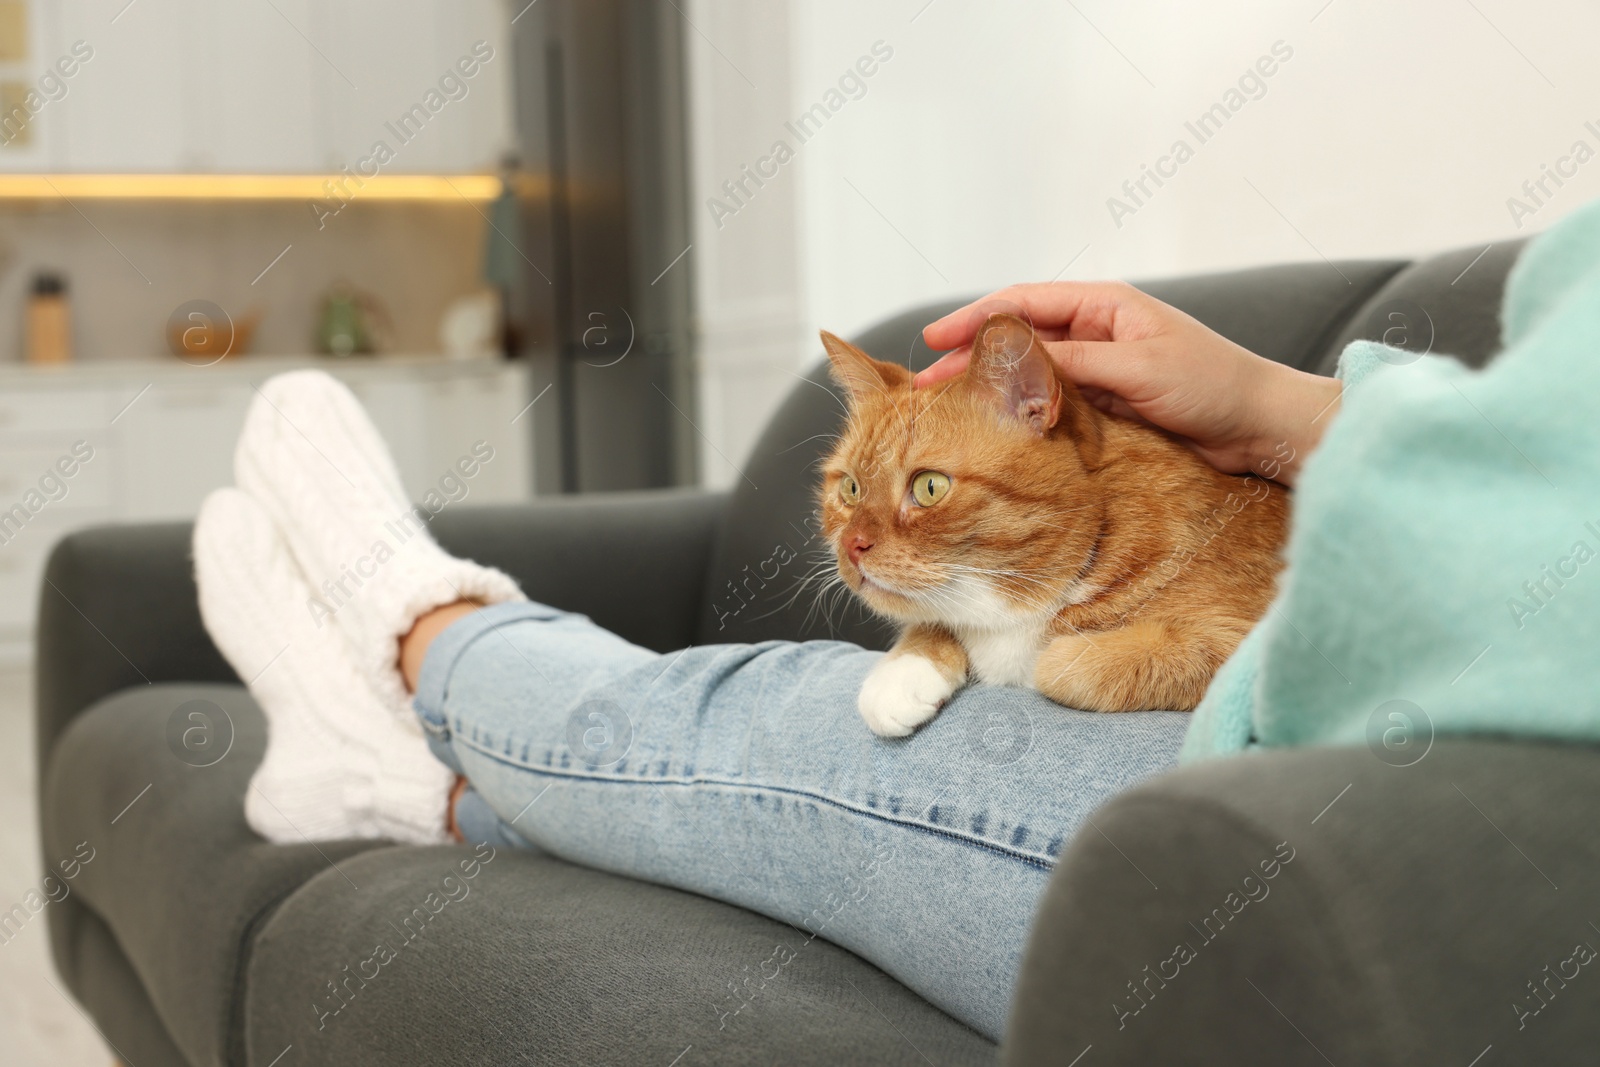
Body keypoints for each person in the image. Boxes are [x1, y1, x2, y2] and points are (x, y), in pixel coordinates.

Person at [193, 282, 1343, 1043]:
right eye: (846, 490)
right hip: (1314, 785)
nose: (856, 531)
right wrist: (1273, 406)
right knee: (779, 779)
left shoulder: (1186, 538)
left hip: (1323, 831)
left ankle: (412, 619)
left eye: (919, 491)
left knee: (792, 716)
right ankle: (421, 787)